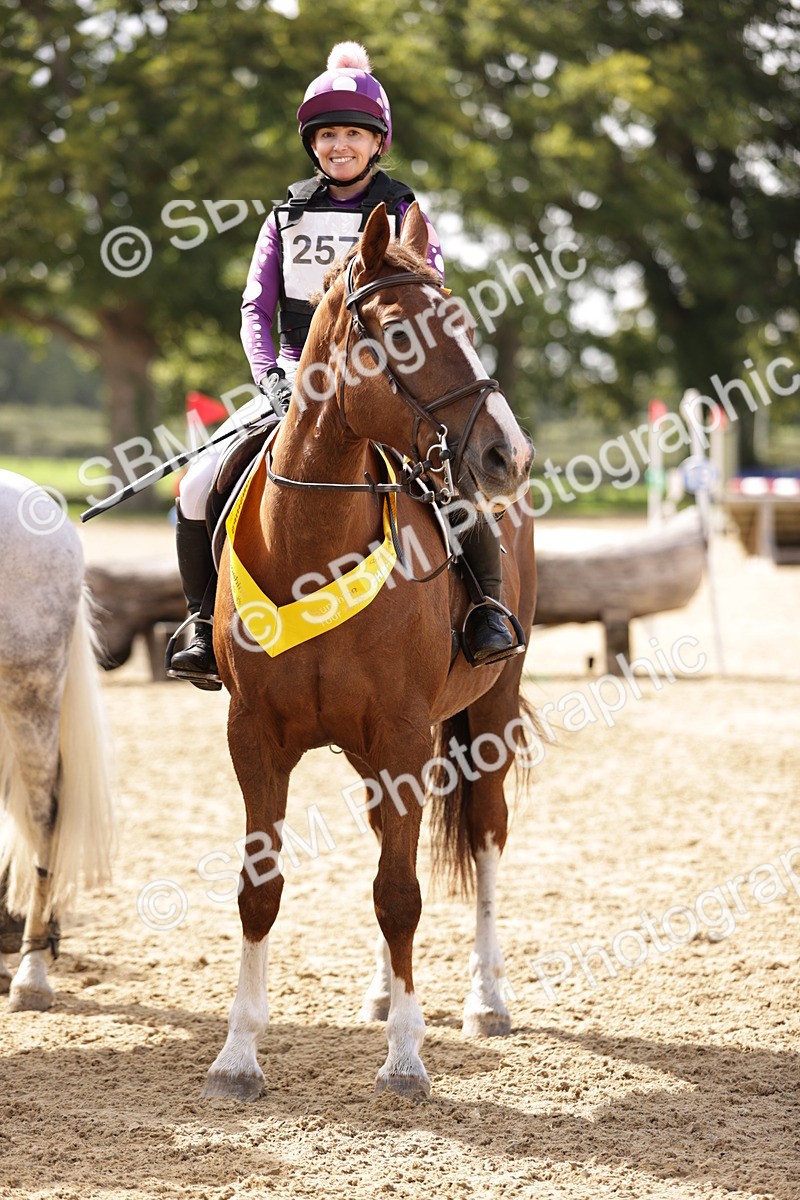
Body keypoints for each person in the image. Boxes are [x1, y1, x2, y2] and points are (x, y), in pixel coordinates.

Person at [169, 42, 515, 689]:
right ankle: (200, 624)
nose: (339, 147)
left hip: (383, 380)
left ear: (377, 143)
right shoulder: (286, 215)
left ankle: (486, 611)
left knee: (449, 484)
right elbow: (255, 308)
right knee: (196, 485)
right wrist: (271, 378)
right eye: (327, 135)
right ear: (313, 144)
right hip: (296, 379)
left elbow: (425, 305)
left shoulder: (406, 210)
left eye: (353, 134)